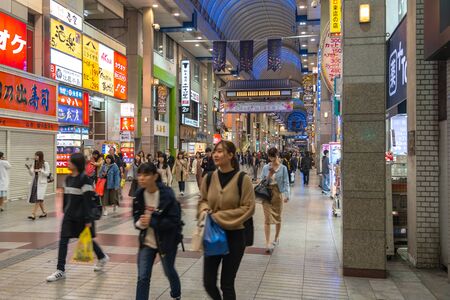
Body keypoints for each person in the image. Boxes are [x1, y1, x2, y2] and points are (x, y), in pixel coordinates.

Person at [198, 141, 255, 300]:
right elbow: (202, 200)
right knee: (208, 282)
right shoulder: (209, 178)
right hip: (213, 235)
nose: (216, 154)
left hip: (235, 236)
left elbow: (248, 208)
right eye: (215, 151)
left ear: (231, 155)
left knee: (227, 284)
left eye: (220, 151)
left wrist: (219, 217)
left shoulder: (243, 179)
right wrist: (204, 210)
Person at [46, 153, 109, 282]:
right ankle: (60, 270)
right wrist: (64, 211)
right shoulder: (68, 179)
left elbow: (88, 202)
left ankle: (102, 257)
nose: (68, 163)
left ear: (76, 164)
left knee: (88, 240)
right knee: (63, 241)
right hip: (69, 217)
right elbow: (65, 198)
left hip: (82, 217)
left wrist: (88, 220)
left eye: (70, 161)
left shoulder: (84, 179)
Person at [133, 162, 182, 300]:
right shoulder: (139, 195)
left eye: (146, 175)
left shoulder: (167, 194)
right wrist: (140, 223)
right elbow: (136, 219)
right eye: (139, 175)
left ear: (155, 176)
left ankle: (176, 293)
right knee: (143, 277)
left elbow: (174, 220)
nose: (141, 178)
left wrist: (151, 221)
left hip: (166, 242)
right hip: (147, 242)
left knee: (169, 271)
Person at [260, 147, 290, 253]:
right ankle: (267, 242)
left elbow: (286, 182)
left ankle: (276, 238)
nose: (271, 160)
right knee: (267, 218)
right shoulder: (265, 167)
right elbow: (262, 182)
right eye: (270, 158)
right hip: (267, 194)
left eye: (273, 157)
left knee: (278, 217)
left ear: (277, 156)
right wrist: (269, 175)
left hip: (278, 194)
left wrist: (287, 195)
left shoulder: (283, 168)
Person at [26, 151, 50, 220]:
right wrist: (29, 169)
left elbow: (47, 174)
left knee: (38, 198)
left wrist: (41, 171)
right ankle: (44, 212)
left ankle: (33, 214)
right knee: (40, 199)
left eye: (37, 156)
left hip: (42, 183)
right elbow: (31, 174)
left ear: (40, 156)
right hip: (35, 182)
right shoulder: (34, 163)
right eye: (35, 155)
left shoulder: (45, 163)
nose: (35, 157)